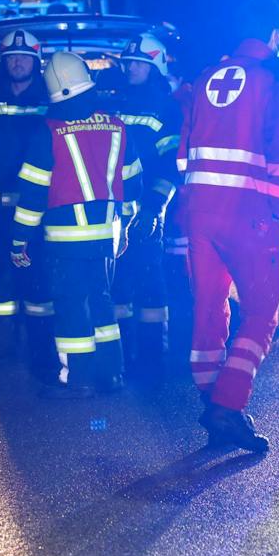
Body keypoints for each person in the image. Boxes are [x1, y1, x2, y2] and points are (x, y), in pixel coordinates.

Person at [179, 0, 279, 452]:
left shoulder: (206, 76)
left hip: (199, 209)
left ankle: (210, 399)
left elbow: (186, 148)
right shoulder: (273, 80)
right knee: (264, 307)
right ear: (274, 36)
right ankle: (228, 405)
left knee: (208, 303)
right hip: (247, 213)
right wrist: (276, 210)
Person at [11, 51, 144, 398]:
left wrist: (19, 239)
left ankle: (78, 379)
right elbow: (134, 185)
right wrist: (124, 225)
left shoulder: (49, 131)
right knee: (102, 302)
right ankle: (112, 374)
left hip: (65, 239)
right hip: (105, 237)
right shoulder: (116, 126)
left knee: (71, 307)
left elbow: (33, 194)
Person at [0, 29, 56, 377]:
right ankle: (3, 351)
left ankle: (41, 354)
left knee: (39, 283)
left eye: (24, 57)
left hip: (38, 211)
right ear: (3, 62)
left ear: (36, 63)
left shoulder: (52, 99)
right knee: (0, 284)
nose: (18, 62)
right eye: (12, 58)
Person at [107, 33, 182, 377]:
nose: (131, 68)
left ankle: (153, 356)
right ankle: (123, 353)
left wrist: (154, 206)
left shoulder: (166, 107)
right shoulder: (115, 100)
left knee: (151, 280)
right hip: (113, 208)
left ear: (155, 67)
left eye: (139, 63)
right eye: (128, 63)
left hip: (147, 209)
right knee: (119, 281)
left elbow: (169, 165)